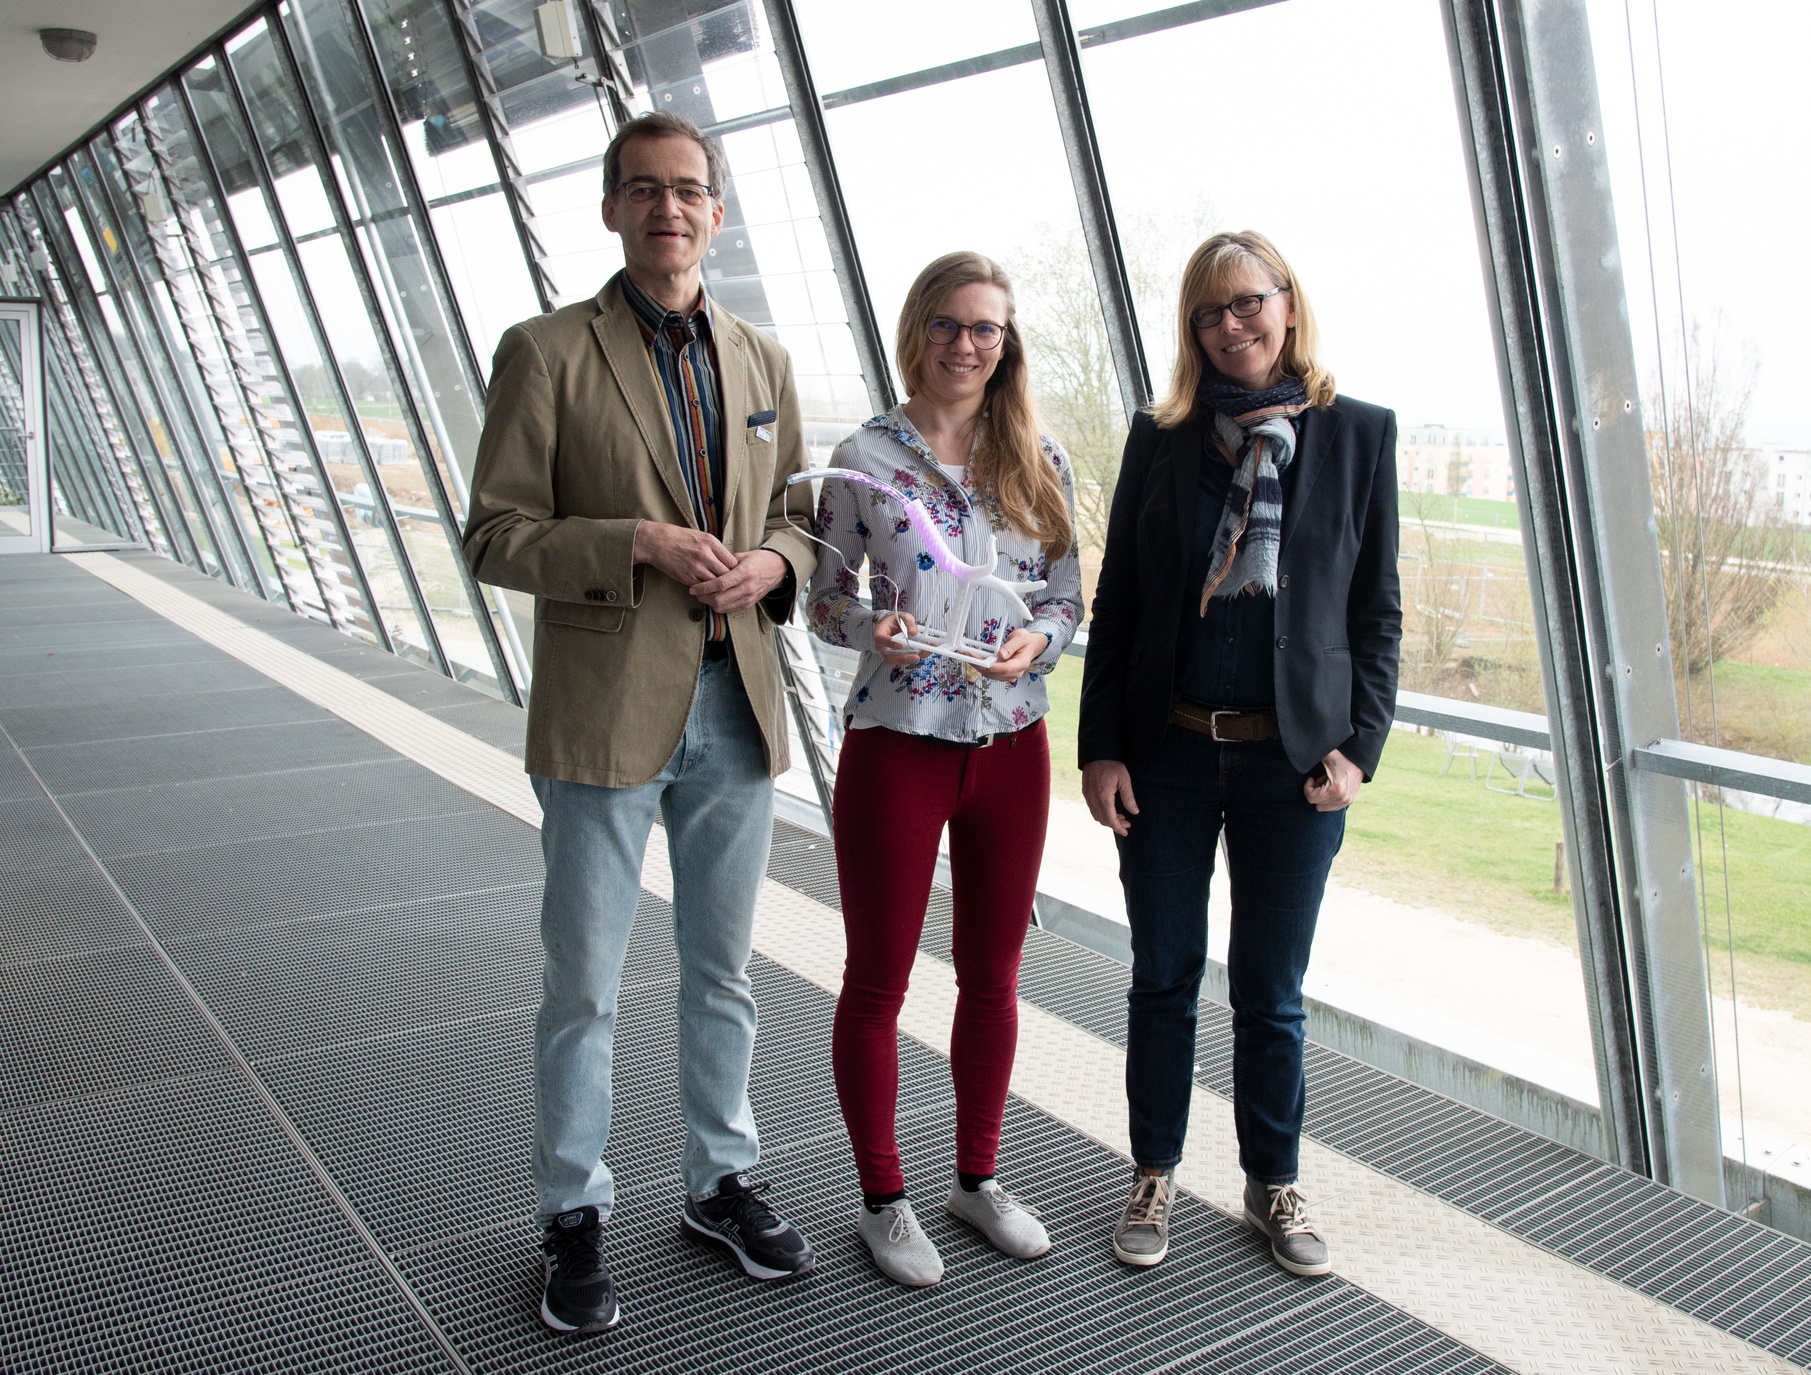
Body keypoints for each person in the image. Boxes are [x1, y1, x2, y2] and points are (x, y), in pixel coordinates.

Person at [462, 111, 820, 1335]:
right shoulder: (546, 351)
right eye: (644, 190)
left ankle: (719, 1182)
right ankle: (572, 1210)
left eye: (689, 191)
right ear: (611, 209)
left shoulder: (763, 362)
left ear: (715, 212)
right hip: (606, 713)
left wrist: (771, 565)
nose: (669, 209)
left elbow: (804, 521)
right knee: (585, 985)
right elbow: (493, 536)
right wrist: (637, 546)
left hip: (735, 703)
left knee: (723, 974)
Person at [1078, 231, 1401, 1277]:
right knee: (1161, 978)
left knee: (1270, 992)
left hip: (1291, 769)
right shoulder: (1160, 440)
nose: (1231, 325)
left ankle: (1271, 1182)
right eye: (1208, 312)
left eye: (1247, 302)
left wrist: (1358, 750)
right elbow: (1118, 603)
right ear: (1193, 330)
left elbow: (1374, 614)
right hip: (1165, 756)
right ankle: (1153, 1172)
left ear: (1287, 304)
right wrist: (1099, 749)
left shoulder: (1357, 436)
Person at [804, 252, 1083, 1287]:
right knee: (875, 981)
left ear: (1005, 343)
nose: (966, 345)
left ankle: (976, 1179)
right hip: (897, 741)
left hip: (1011, 743)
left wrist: (1036, 645)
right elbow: (822, 597)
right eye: (949, 325)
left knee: (993, 979)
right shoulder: (864, 453)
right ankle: (883, 1199)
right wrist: (873, 627)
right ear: (915, 327)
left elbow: (1062, 596)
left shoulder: (1037, 454)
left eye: (987, 329)